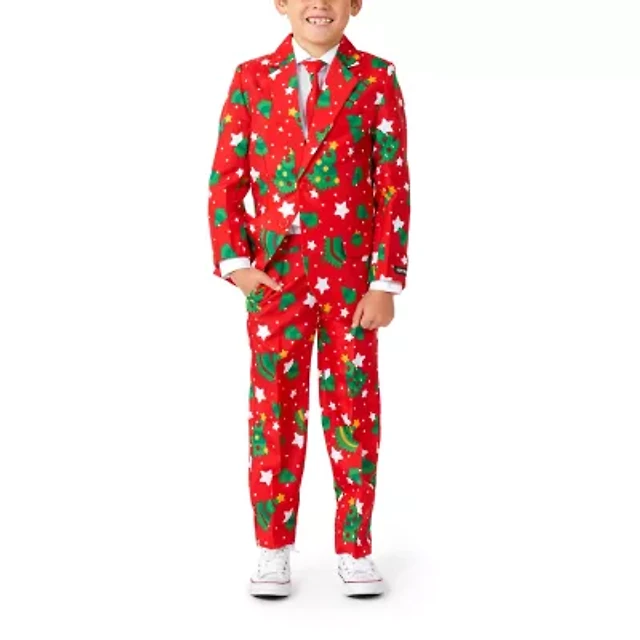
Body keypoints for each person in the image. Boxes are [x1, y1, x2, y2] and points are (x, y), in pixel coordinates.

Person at [207, 0, 411, 598]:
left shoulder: (376, 77)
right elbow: (226, 178)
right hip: (277, 276)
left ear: (354, 5)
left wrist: (385, 280)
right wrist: (239, 266)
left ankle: (355, 548)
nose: (318, 4)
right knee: (273, 409)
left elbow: (392, 182)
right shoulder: (251, 77)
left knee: (354, 409)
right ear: (281, 3)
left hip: (351, 276)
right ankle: (272, 547)